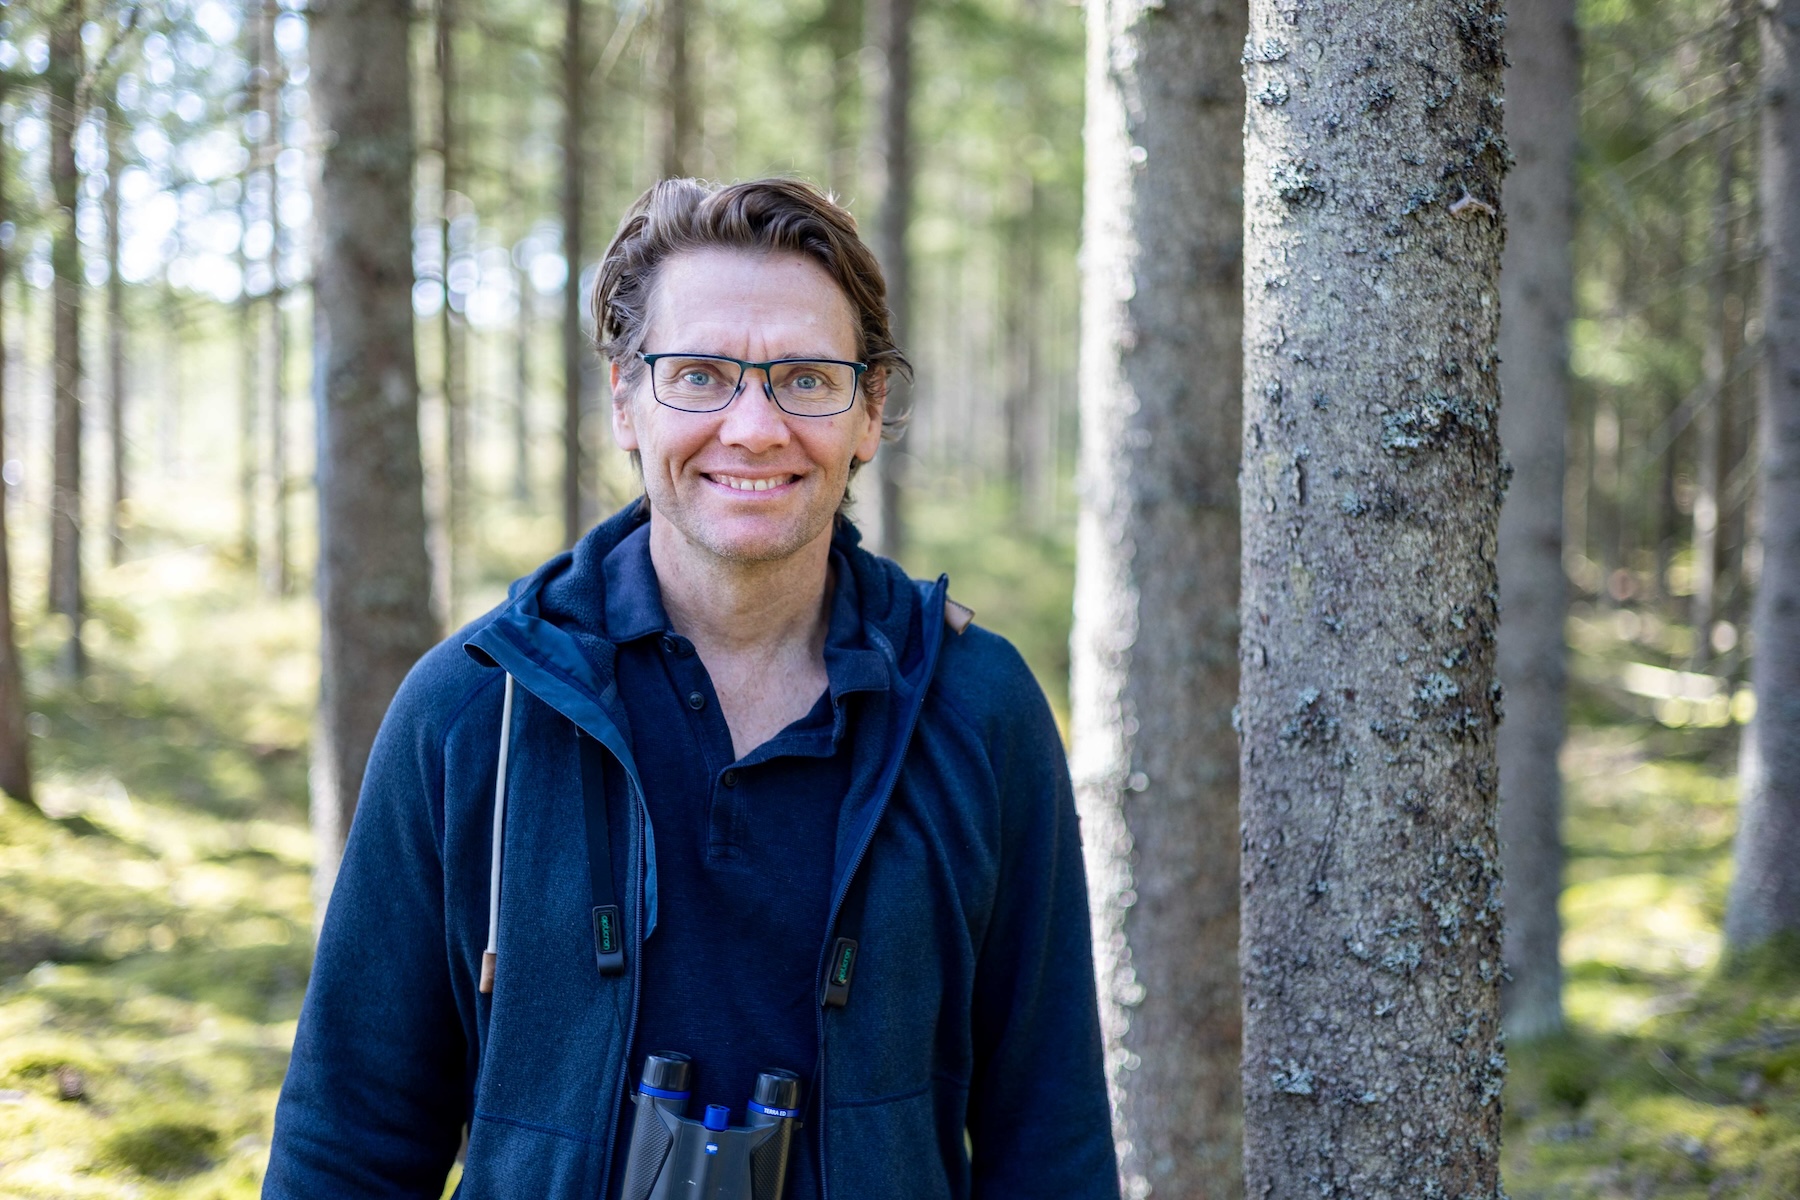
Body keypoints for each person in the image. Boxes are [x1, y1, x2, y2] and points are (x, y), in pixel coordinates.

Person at [263, 177, 1117, 1200]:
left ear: (870, 411)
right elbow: (346, 1145)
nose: (753, 427)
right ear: (626, 398)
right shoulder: (474, 710)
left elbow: (1050, 1144)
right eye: (702, 374)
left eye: (805, 379)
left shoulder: (977, 708)